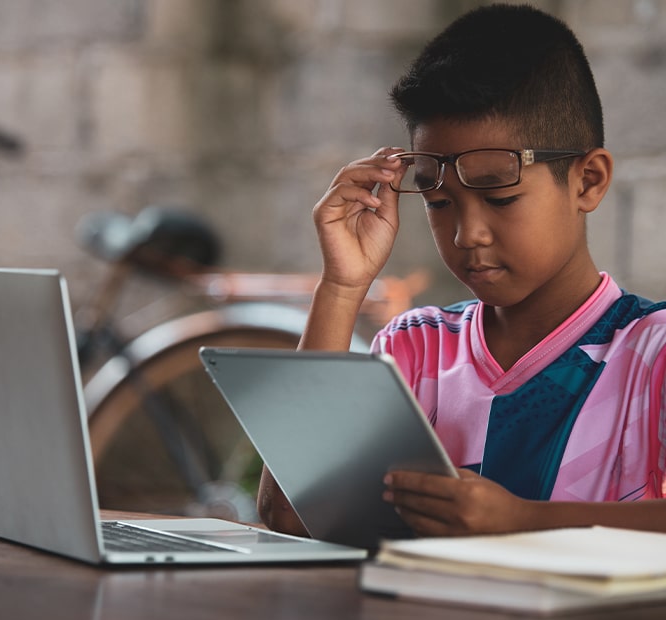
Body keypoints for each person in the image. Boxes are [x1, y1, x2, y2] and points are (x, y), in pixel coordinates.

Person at [258, 3, 666, 538]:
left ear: (587, 180)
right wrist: (341, 287)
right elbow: (288, 515)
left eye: (499, 196)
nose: (466, 233)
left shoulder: (650, 353)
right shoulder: (414, 351)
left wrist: (524, 522)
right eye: (438, 201)